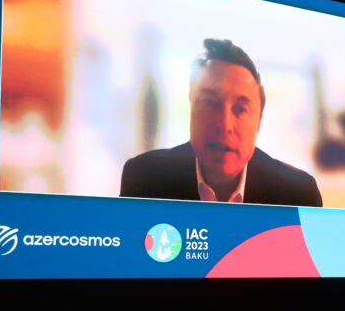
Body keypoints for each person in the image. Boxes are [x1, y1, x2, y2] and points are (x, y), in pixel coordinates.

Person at [120, 38, 322, 207]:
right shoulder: (144, 178)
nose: (224, 125)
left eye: (241, 109)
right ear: (191, 108)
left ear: (259, 121)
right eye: (209, 103)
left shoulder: (297, 195)